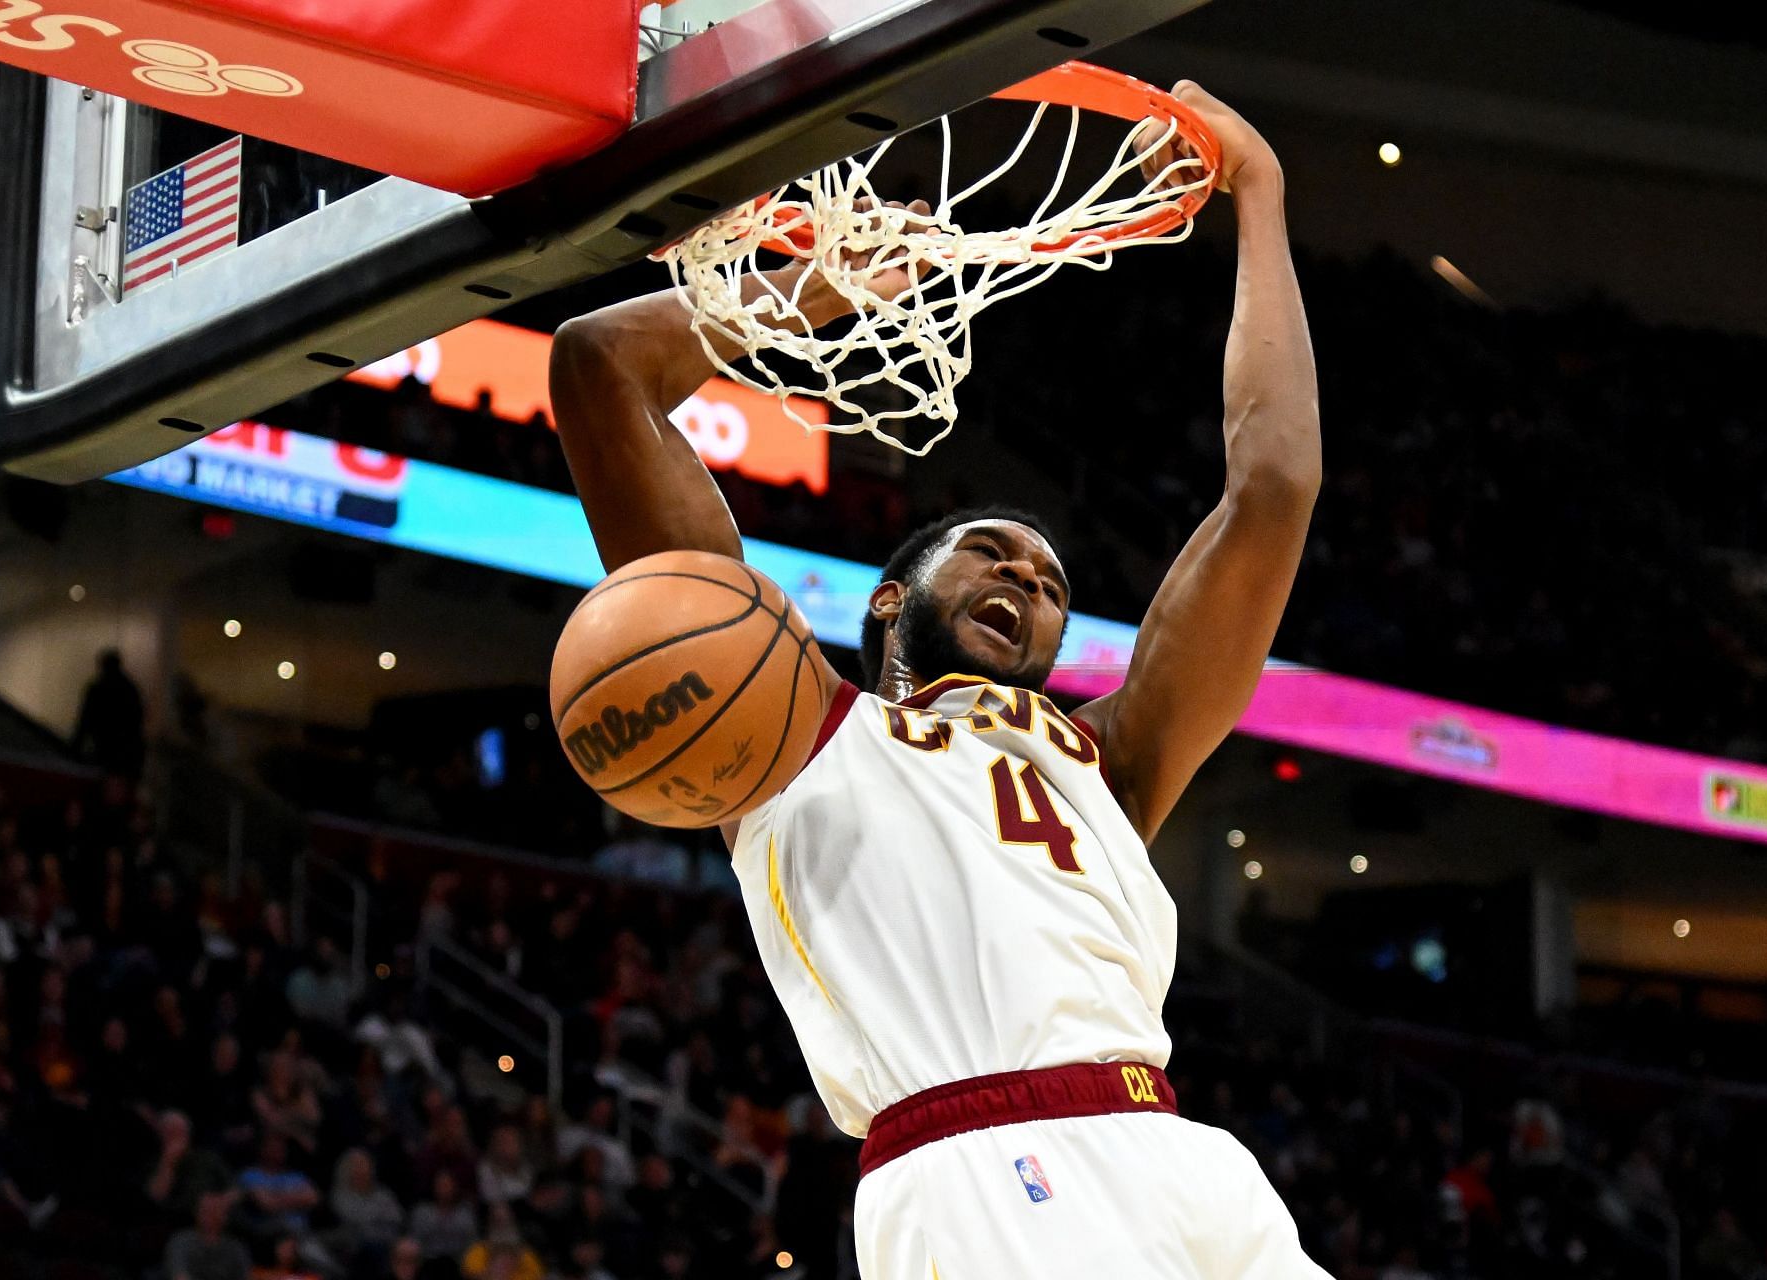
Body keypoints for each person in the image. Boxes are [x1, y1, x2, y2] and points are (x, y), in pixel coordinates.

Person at [551, 81, 1324, 1279]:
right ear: (886, 600)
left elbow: (1271, 486)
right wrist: (821, 288)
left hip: (1186, 1159)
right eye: (993, 552)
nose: (1029, 575)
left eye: (1055, 580)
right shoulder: (788, 724)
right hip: (980, 1162)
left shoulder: (1114, 758)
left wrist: (1262, 197)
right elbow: (600, 366)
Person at [70, 649, 146, 780]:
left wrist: (74, 748)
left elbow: (85, 720)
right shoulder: (129, 689)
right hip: (125, 753)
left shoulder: (98, 689)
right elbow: (138, 719)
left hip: (106, 751)